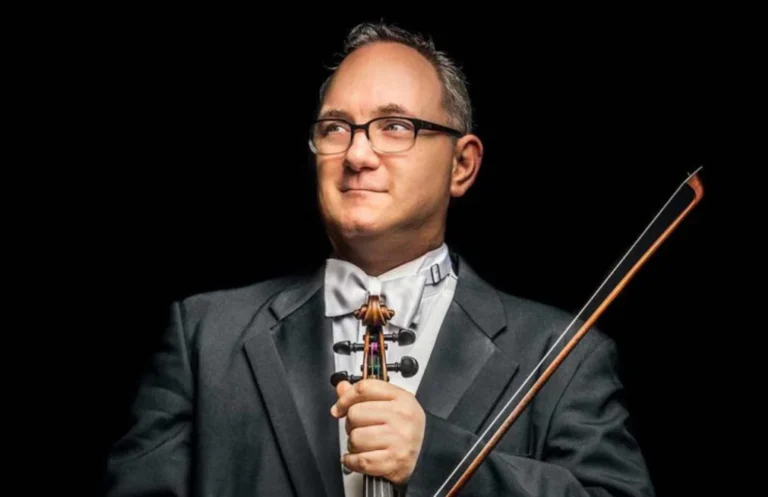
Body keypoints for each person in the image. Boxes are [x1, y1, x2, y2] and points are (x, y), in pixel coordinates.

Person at [105, 21, 655, 497]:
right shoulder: (204, 337)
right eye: (335, 128)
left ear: (462, 165)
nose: (358, 154)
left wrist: (436, 455)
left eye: (395, 127)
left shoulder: (568, 355)